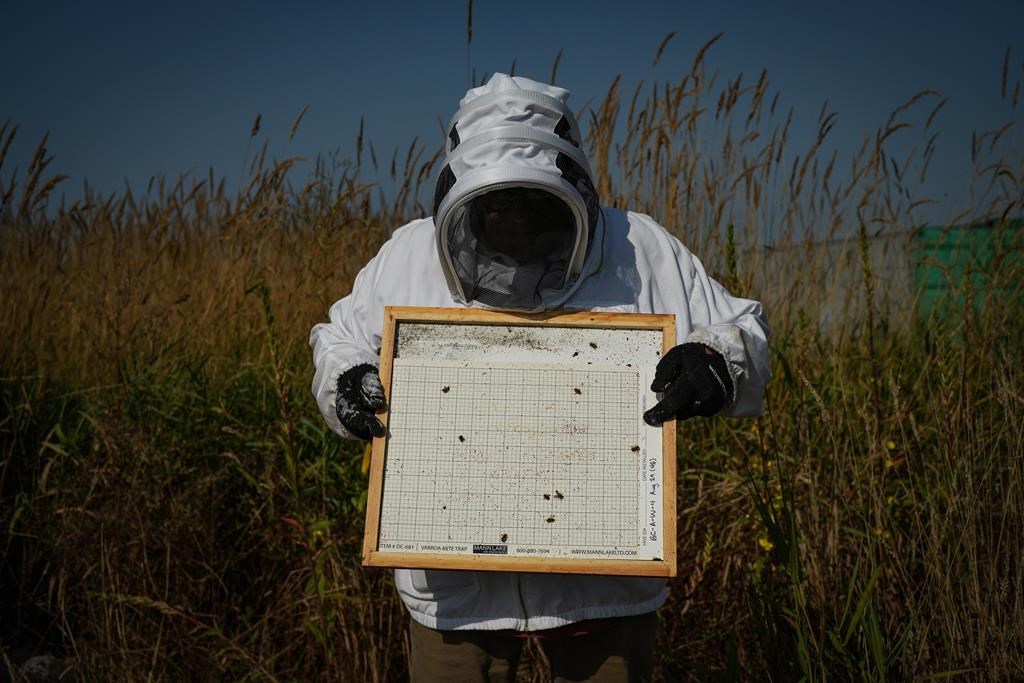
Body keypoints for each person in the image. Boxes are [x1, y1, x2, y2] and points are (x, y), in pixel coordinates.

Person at [310, 73, 771, 682]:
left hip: (601, 592)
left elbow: (743, 330)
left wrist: (716, 361)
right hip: (455, 587)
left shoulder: (644, 249)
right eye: (498, 211)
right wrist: (347, 380)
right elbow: (338, 338)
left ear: (575, 193)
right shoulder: (409, 254)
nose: (519, 230)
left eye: (536, 210)